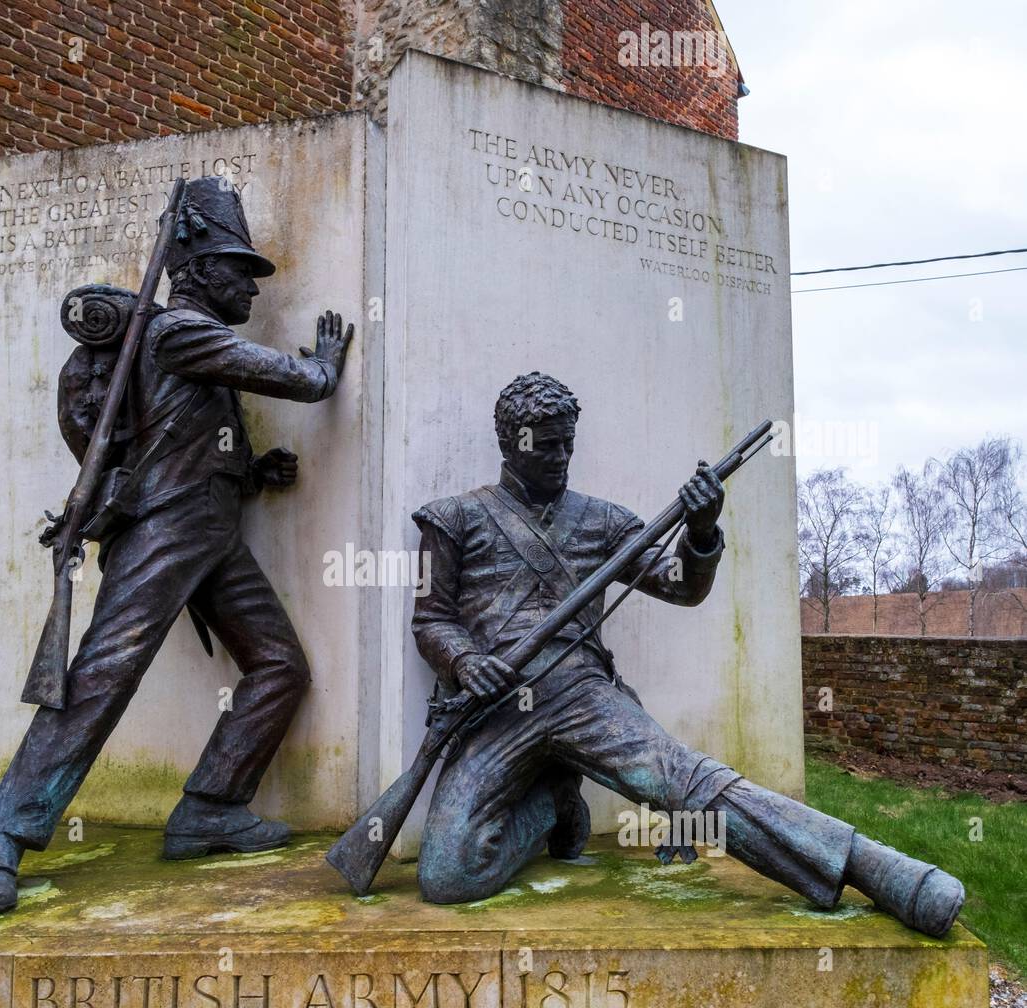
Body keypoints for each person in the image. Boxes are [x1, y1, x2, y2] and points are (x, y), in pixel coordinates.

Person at [407, 371, 964, 937]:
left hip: (582, 695)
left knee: (691, 781)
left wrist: (700, 533)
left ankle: (871, 865)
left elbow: (680, 586)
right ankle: (552, 802)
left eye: (568, 442)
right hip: (499, 707)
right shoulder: (453, 520)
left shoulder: (603, 522)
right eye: (547, 444)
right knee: (448, 877)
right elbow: (431, 619)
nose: (562, 456)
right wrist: (463, 661)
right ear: (511, 442)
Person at [0, 176, 353, 913]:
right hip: (166, 529)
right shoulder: (180, 331)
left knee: (278, 666)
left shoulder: (181, 341)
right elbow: (291, 380)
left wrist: (250, 473)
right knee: (104, 674)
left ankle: (209, 806)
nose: (252, 288)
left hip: (209, 527)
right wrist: (323, 370)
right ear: (199, 272)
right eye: (240, 270)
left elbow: (189, 439)